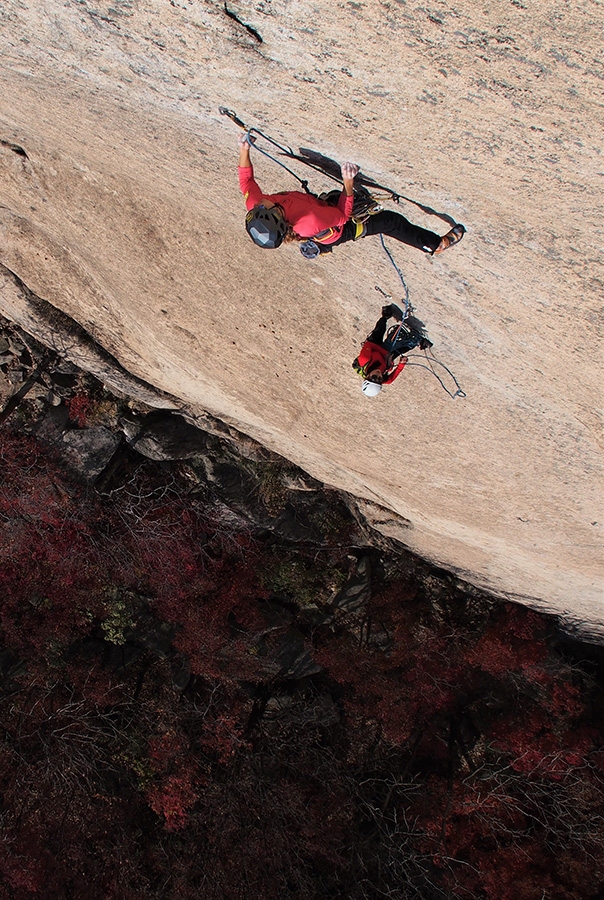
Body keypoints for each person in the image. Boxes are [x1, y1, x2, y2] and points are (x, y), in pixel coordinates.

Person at [238, 133, 465, 257]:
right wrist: (348, 181)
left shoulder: (257, 205)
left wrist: (244, 148)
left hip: (319, 210)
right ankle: (435, 245)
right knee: (390, 222)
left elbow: (246, 179)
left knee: (338, 196)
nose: (261, 201)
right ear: (276, 214)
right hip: (337, 230)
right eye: (264, 205)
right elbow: (342, 216)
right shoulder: (310, 222)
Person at [352, 304, 431, 397]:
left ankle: (385, 315)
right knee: (402, 349)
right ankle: (417, 341)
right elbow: (396, 372)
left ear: (367, 376)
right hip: (385, 356)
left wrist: (386, 353)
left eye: (374, 377)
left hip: (373, 347)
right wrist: (402, 363)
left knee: (379, 331)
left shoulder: (364, 360)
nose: (378, 375)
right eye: (379, 379)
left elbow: (368, 345)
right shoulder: (386, 379)